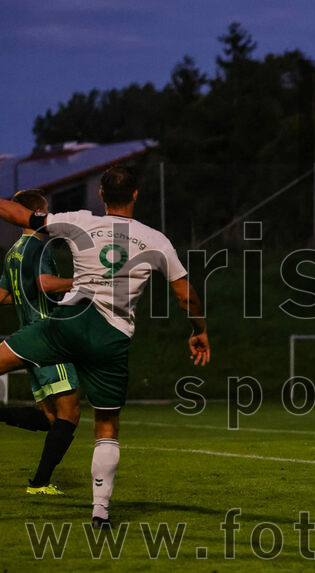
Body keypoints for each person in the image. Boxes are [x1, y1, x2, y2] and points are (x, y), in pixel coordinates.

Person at [0, 165, 211, 529]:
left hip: (67, 323)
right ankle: (100, 511)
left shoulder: (79, 221)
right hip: (110, 337)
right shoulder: (156, 240)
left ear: (100, 195)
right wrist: (199, 330)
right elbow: (184, 295)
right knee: (107, 425)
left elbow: (20, 214)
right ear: (135, 194)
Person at [0, 189, 78, 495]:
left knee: (51, 418)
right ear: (38, 210)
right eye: (46, 209)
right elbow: (46, 284)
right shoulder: (40, 247)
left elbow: (4, 296)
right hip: (48, 338)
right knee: (69, 414)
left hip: (25, 338)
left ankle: (40, 482)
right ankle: (40, 483)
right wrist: (82, 281)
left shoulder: (13, 251)